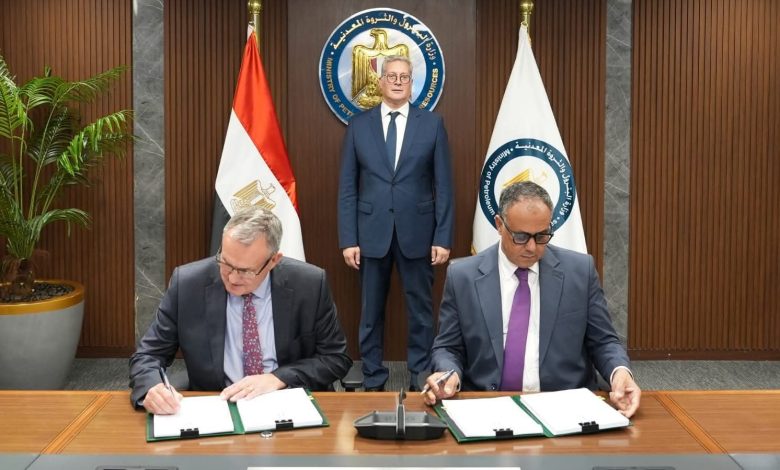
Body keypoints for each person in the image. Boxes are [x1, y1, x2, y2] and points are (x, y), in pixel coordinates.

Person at [423, 181, 640, 417]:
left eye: (542, 236)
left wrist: (620, 373)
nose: (531, 247)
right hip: (488, 404)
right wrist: (448, 373)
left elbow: (604, 341)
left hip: (564, 405)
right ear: (499, 225)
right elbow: (448, 347)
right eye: (521, 236)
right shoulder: (462, 276)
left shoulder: (579, 271)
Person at [130, 207, 352, 414]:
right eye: (226, 263)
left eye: (245, 271)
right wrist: (152, 387)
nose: (233, 278)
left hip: (287, 403)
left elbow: (335, 358)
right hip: (218, 406)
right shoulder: (188, 284)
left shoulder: (309, 284)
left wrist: (279, 378)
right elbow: (148, 354)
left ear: (273, 261)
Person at [338, 55, 454, 391]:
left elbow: (444, 186)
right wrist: (348, 239)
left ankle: (420, 376)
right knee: (370, 313)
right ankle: (373, 377)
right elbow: (347, 187)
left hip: (418, 233)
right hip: (370, 234)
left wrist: (443, 237)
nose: (398, 82)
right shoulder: (359, 125)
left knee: (421, 312)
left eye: (404, 76)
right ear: (381, 81)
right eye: (392, 76)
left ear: (412, 83)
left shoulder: (432, 124)